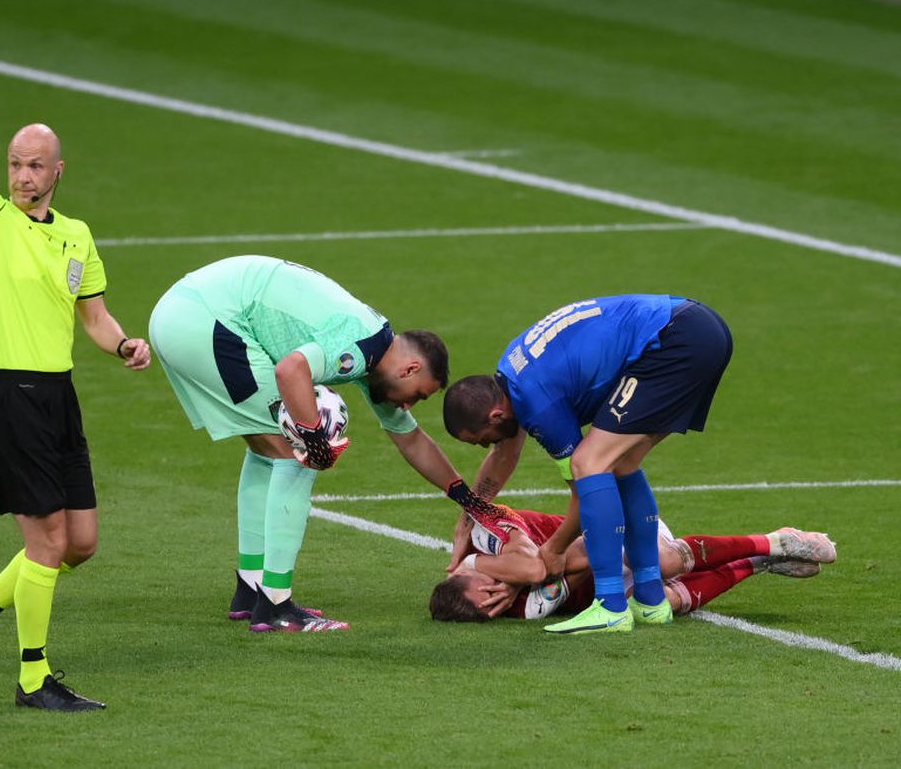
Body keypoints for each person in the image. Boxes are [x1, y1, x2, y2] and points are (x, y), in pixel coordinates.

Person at [0, 33, 152, 712]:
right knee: (46, 542)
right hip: (8, 394)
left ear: (57, 171)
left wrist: (125, 344)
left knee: (80, 543)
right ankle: (33, 679)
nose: (22, 176)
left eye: (35, 166)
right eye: (15, 164)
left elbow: (94, 317)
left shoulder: (77, 235)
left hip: (59, 396)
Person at [148, 254, 512, 633]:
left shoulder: (373, 349)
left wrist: (469, 501)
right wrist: (312, 438)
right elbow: (291, 369)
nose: (408, 406)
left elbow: (412, 440)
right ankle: (275, 606)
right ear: (410, 369)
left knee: (267, 449)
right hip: (209, 320)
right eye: (417, 395)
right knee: (297, 455)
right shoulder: (359, 346)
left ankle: (251, 588)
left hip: (182, 311)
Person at [443, 295, 734, 634]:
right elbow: (504, 454)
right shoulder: (512, 377)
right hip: (694, 329)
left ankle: (610, 606)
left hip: (674, 340)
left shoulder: (538, 404)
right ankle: (650, 600)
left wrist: (555, 549)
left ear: (496, 415)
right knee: (621, 461)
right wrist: (470, 516)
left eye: (480, 439)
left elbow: (584, 495)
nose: (484, 446)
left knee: (590, 464)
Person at [429, 505, 836, 623]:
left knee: (660, 561)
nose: (498, 597)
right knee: (654, 605)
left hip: (609, 526)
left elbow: (559, 559)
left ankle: (775, 539)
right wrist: (518, 583)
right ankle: (756, 562)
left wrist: (506, 572)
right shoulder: (525, 608)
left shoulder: (487, 532)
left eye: (488, 589)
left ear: (468, 574)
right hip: (599, 575)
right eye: (491, 607)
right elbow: (576, 568)